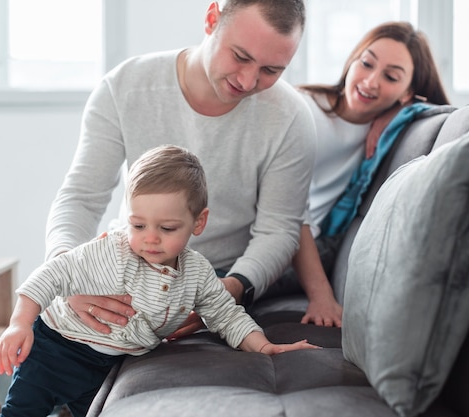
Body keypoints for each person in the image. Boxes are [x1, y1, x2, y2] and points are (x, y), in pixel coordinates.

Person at [0, 145, 320, 417]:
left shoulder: (197, 274)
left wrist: (264, 346)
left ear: (198, 222)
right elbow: (51, 274)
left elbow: (226, 315)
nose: (150, 239)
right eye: (138, 225)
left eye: (167, 228)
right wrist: (19, 324)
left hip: (111, 364)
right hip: (55, 349)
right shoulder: (111, 252)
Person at [44, 0, 317, 334]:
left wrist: (229, 290)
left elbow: (279, 230)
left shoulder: (291, 117)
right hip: (130, 265)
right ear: (211, 19)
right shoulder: (124, 87)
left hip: (221, 278)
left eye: (271, 70)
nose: (247, 81)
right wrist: (65, 274)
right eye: (240, 57)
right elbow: (81, 197)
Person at [263, 21, 450, 326]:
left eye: (390, 77)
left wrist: (400, 112)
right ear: (352, 61)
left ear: (407, 92)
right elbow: (288, 208)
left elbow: (447, 113)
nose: (371, 81)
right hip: (270, 235)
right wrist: (321, 294)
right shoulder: (306, 111)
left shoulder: (390, 129)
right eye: (366, 64)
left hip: (307, 250)